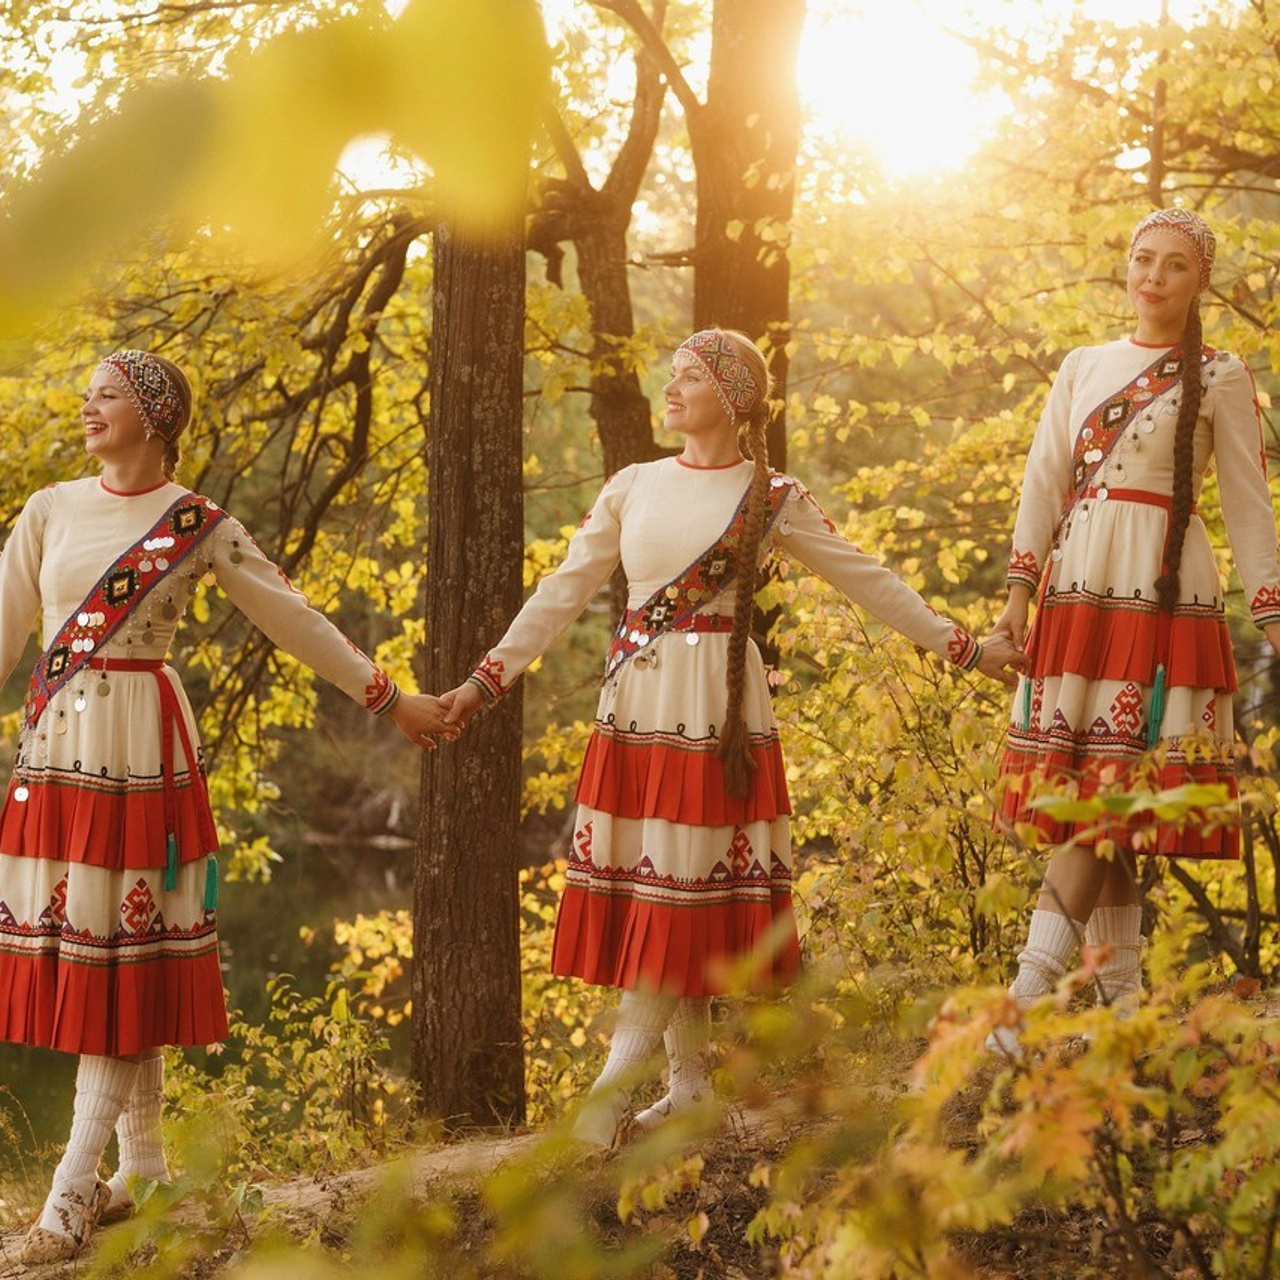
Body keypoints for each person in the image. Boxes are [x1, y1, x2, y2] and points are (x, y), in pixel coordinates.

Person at [439, 327, 1021, 1145]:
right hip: (637, 704)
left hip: (716, 712)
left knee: (678, 894)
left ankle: (611, 1091)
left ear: (732, 398)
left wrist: (964, 648)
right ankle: (686, 1088)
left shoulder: (771, 496)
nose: (668, 389)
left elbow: (868, 580)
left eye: (687, 379)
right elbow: (561, 592)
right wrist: (483, 683)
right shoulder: (633, 485)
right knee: (658, 891)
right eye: (670, 376)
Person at [0, 350, 453, 1262]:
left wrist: (389, 697)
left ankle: (67, 1200)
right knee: (103, 954)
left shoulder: (199, 525)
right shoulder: (49, 509)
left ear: (157, 414)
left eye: (111, 394)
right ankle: (149, 1171)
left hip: (143, 754)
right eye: (88, 393)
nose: (90, 405)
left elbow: (296, 620)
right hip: (56, 756)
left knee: (120, 960)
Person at [988, 208, 1280, 1050]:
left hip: (1160, 595)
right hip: (1077, 586)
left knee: (1105, 801)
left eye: (1174, 266)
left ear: (1199, 283)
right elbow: (1043, 480)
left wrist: (1269, 605)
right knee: (1099, 803)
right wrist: (1019, 587)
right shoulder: (1082, 366)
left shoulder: (1221, 375)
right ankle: (1124, 1008)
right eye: (1142, 260)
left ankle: (1028, 995)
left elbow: (1248, 506)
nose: (1153, 276)